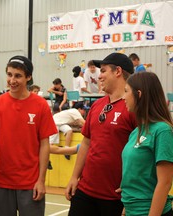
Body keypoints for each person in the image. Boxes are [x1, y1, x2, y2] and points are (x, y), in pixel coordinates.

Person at [0, 55, 57, 216]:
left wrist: (41, 180)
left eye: (18, 76)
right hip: (1, 181)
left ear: (28, 77)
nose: (12, 80)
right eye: (9, 74)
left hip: (30, 183)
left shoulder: (41, 105)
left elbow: (44, 145)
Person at [65, 53, 137, 216]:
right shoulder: (97, 105)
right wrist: (74, 177)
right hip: (85, 192)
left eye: (103, 71)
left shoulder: (134, 108)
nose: (99, 76)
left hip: (115, 197)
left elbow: (143, 154)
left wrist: (132, 191)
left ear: (117, 71)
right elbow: (86, 143)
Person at [121, 72, 173, 216]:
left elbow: (165, 183)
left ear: (139, 94)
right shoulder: (135, 132)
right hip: (131, 210)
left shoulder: (162, 131)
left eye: (126, 91)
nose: (123, 97)